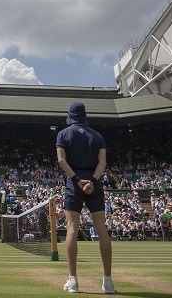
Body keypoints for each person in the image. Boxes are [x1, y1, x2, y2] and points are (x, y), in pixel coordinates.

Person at [56, 101, 114, 294]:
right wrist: (92, 182)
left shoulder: (63, 134)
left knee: (72, 228)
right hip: (94, 182)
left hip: (74, 182)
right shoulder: (98, 136)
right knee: (101, 229)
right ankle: (108, 282)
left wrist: (78, 180)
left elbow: (61, 160)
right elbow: (102, 162)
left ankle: (73, 281)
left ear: (70, 115)